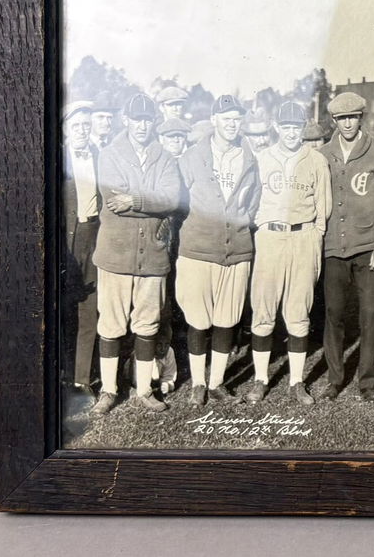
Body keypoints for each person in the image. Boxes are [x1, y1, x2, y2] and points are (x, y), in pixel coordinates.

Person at [90, 94, 182, 415]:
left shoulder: (165, 157)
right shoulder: (109, 154)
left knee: (148, 323)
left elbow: (172, 197)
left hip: (153, 256)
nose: (142, 126)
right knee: (112, 324)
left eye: (148, 120)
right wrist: (151, 203)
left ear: (154, 122)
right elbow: (114, 200)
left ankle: (144, 389)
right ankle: (109, 389)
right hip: (115, 255)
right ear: (126, 121)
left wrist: (137, 200)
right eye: (136, 119)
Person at [243, 101, 332, 405]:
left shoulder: (316, 159)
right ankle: (260, 379)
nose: (292, 132)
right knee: (264, 309)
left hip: (304, 236)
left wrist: (314, 235)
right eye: (286, 127)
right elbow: (251, 200)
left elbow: (324, 206)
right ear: (277, 128)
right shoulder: (262, 157)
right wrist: (262, 228)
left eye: (297, 127)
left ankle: (296, 381)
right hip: (270, 236)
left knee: (298, 311)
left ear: (302, 128)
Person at [173, 95, 259, 406]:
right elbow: (178, 199)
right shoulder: (193, 157)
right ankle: (198, 383)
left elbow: (253, 202)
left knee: (227, 317)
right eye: (226, 119)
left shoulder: (247, 158)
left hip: (236, 249)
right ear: (214, 121)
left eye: (237, 119)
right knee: (199, 318)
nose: (232, 125)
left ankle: (218, 382)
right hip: (198, 249)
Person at [319, 92, 374, 403]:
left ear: (361, 118)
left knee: (370, 314)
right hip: (334, 248)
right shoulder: (324, 153)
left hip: (368, 248)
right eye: (341, 118)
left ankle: (367, 382)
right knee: (334, 314)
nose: (347, 123)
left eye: (352, 117)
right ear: (334, 121)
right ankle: (334, 379)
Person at [62, 102, 102, 402]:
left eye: (86, 126)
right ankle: (60, 373)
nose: (82, 131)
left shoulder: (100, 157)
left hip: (93, 237)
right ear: (65, 130)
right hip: (65, 242)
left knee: (90, 308)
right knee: (64, 309)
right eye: (76, 126)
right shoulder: (55, 159)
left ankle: (82, 379)